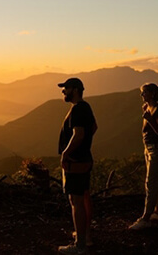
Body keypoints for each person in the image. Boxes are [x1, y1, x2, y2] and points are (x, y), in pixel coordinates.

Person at [57, 78, 97, 255]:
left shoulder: (78, 108)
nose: (63, 91)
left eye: (65, 88)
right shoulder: (85, 107)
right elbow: (93, 127)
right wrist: (85, 145)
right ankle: (85, 235)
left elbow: (79, 134)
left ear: (74, 89)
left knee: (76, 202)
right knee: (83, 197)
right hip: (84, 159)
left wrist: (66, 153)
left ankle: (79, 245)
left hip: (76, 162)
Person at [129, 83, 158, 230]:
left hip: (157, 149)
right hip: (150, 149)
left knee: (150, 184)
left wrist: (150, 120)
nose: (142, 95)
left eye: (144, 92)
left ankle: (145, 218)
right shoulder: (147, 108)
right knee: (157, 182)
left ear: (152, 93)